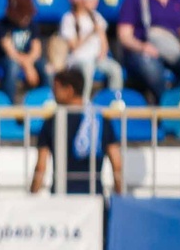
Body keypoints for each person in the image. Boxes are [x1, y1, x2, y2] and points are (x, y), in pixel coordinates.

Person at [30, 67, 122, 195]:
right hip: (94, 196)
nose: (53, 93)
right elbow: (117, 163)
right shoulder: (99, 119)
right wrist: (120, 197)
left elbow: (41, 166)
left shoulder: (52, 121)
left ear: (69, 90)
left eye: (56, 88)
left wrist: (32, 196)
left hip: (62, 197)